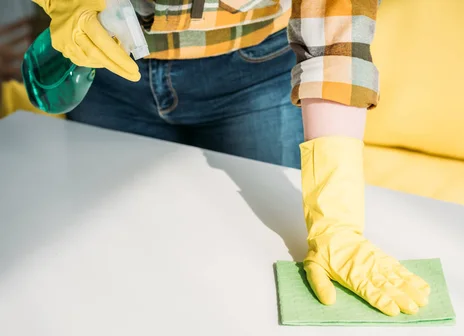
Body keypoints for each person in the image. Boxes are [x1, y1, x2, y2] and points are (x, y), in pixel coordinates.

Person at [32, 0, 431, 316]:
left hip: (251, 74)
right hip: (104, 61)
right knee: (102, 273)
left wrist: (338, 226)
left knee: (258, 271)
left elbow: (335, 28)